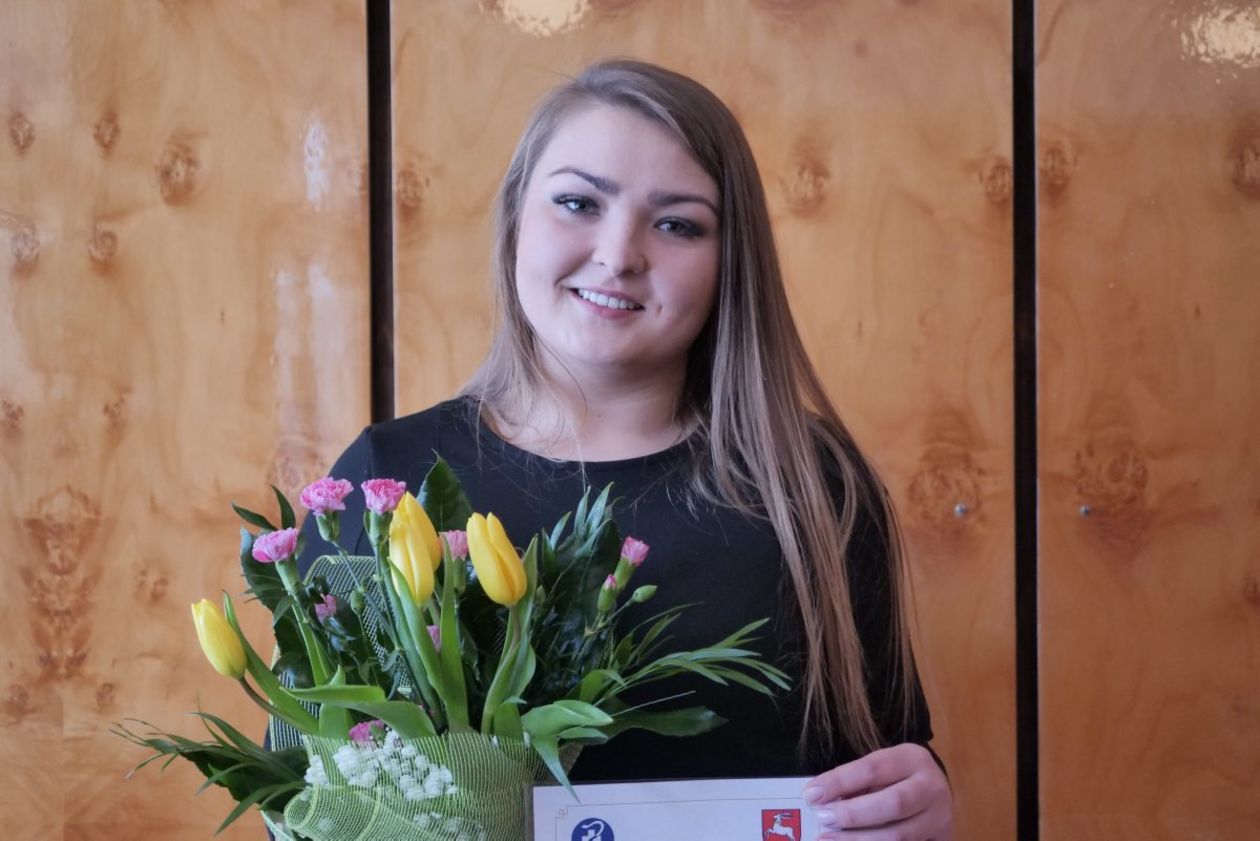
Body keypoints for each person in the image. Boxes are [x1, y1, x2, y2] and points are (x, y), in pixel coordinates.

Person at [297, 59, 952, 839]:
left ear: (730, 260)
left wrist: (922, 799)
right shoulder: (384, 482)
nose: (619, 254)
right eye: (579, 203)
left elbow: (886, 766)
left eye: (677, 224)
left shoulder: (811, 486)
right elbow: (309, 793)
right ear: (516, 217)